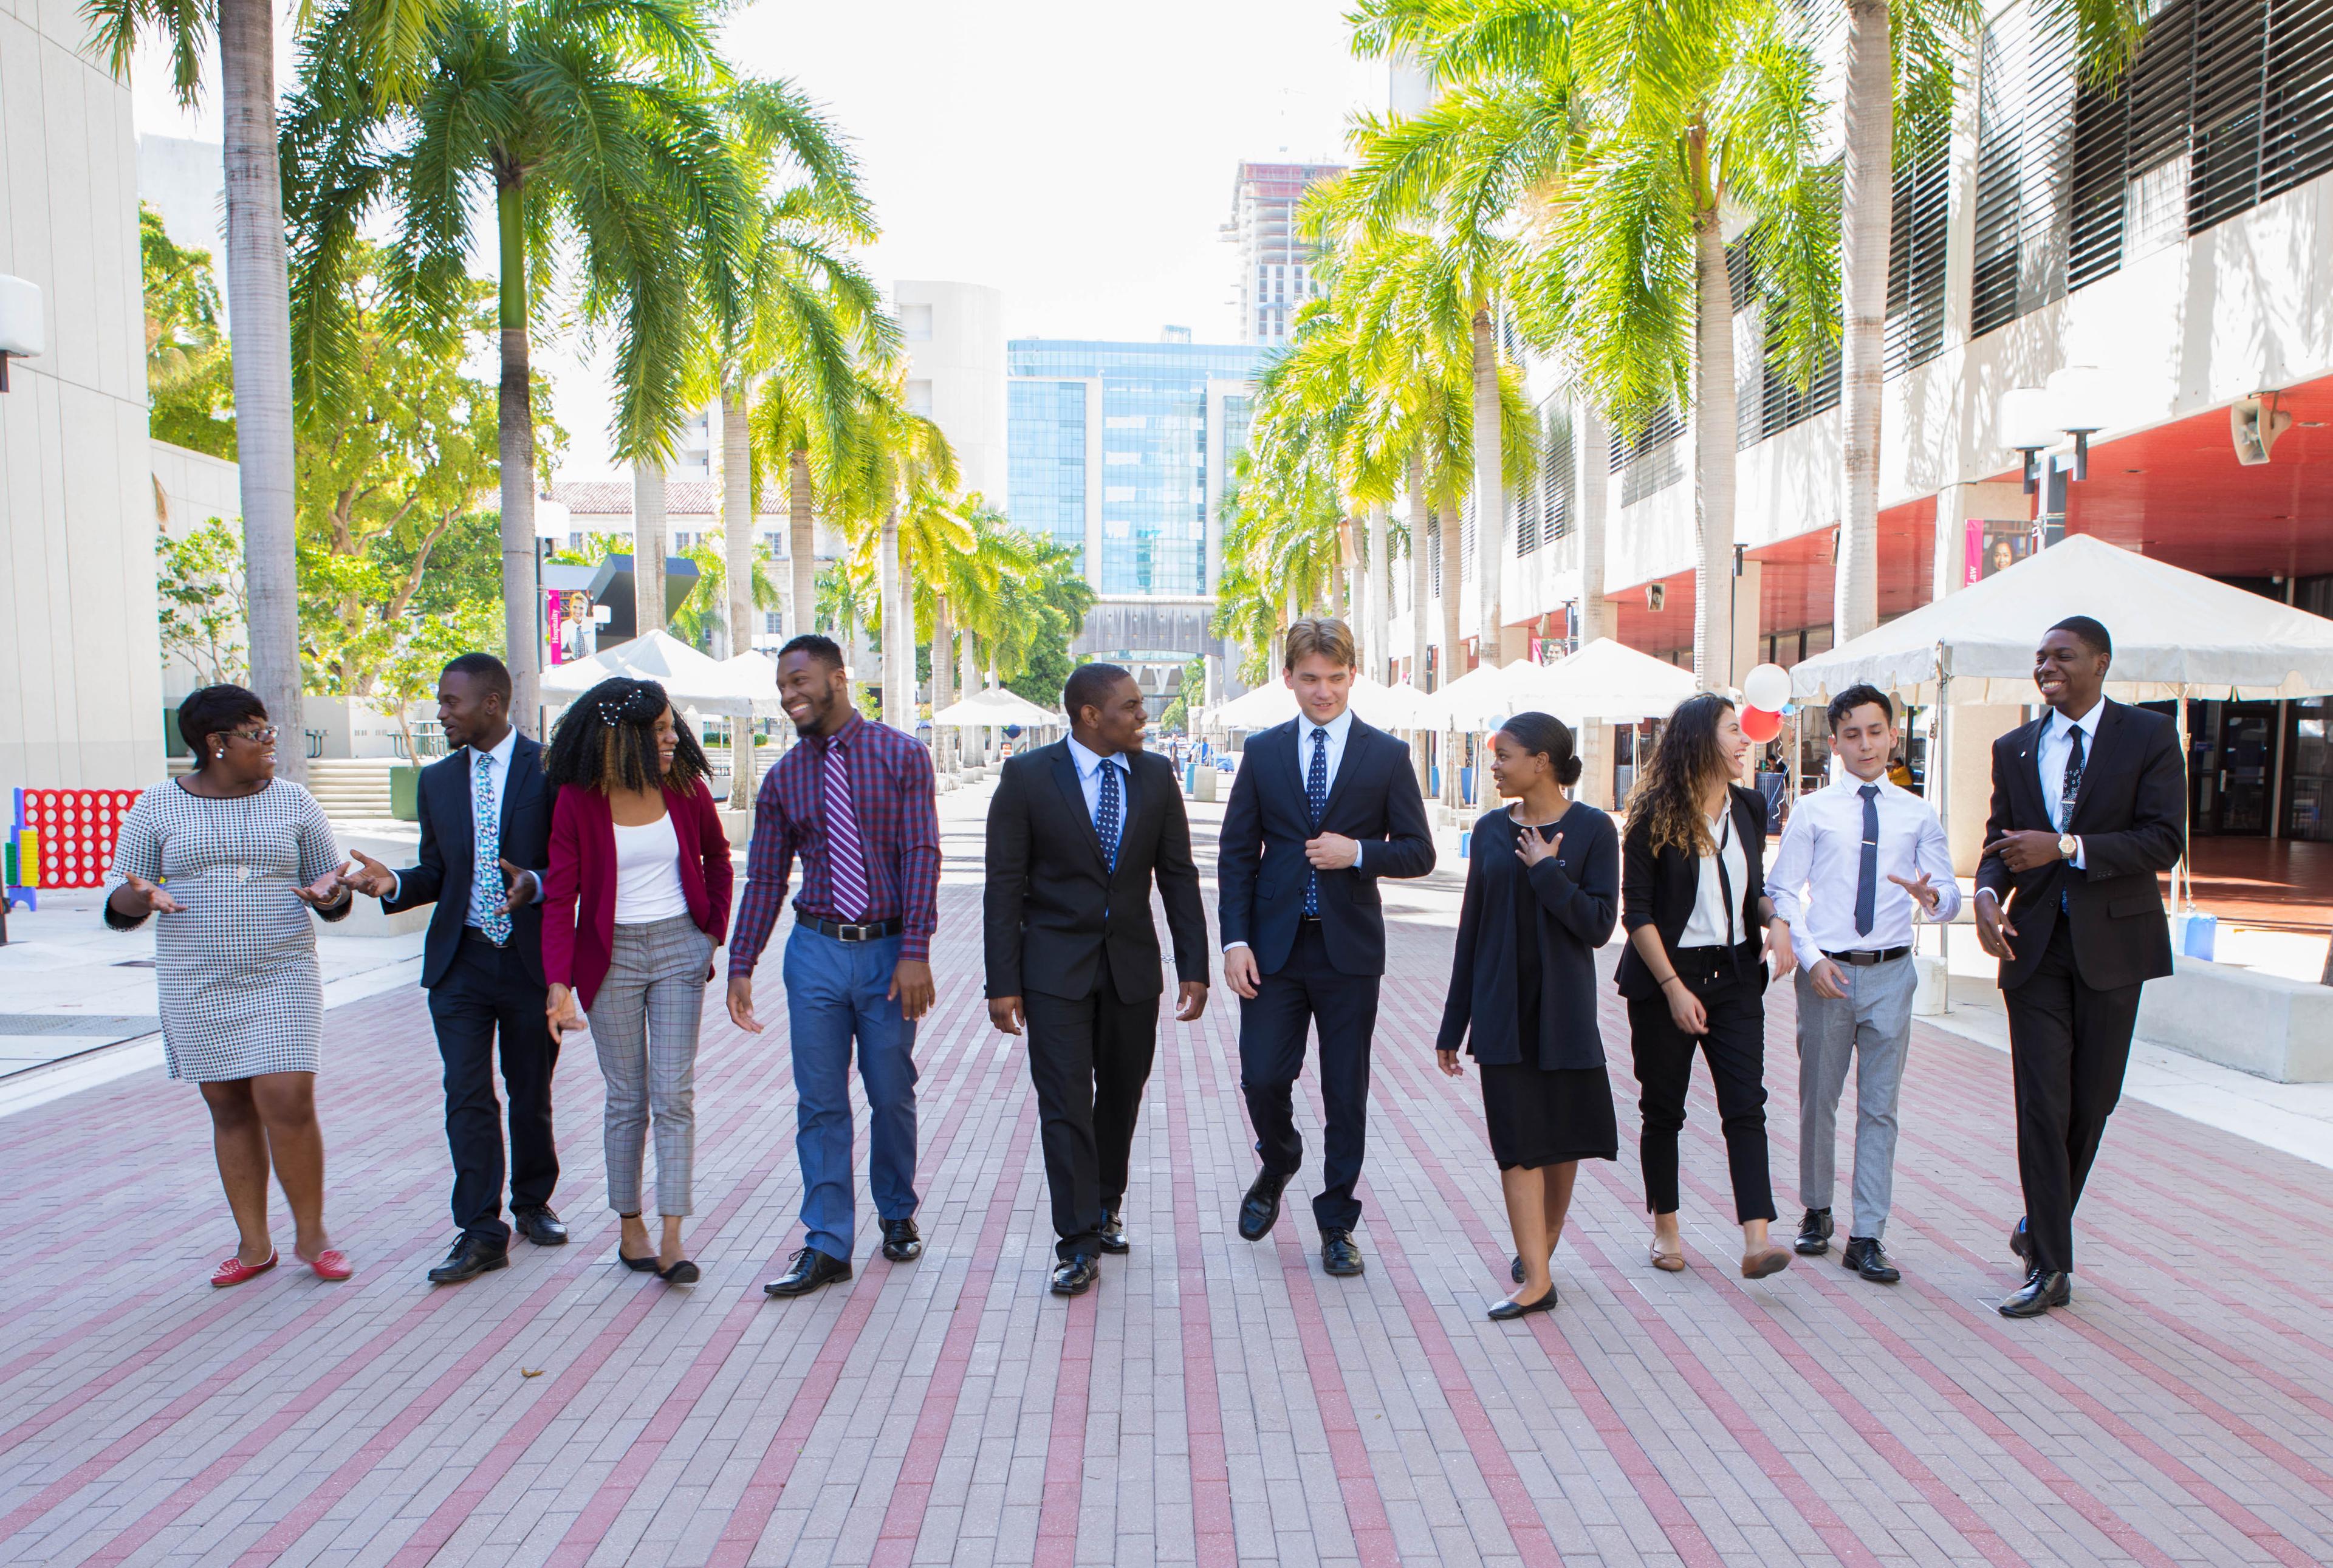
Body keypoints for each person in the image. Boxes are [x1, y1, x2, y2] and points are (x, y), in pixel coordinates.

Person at [106, 685, 356, 1286]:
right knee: (228, 1106)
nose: (272, 744)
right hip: (199, 980)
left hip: (281, 975)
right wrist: (137, 896)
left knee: (287, 1097)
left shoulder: (295, 802)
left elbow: (333, 894)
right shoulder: (157, 806)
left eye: (271, 732)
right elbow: (118, 904)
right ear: (217, 744)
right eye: (258, 733)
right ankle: (254, 1244)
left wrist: (334, 895)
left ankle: (313, 1235)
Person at [1975, 616, 2184, 1318]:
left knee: (2092, 1102)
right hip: (2033, 948)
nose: (2046, 666)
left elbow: (2163, 841)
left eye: (2062, 655)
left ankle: (2041, 1223)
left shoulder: (2149, 737)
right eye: (2039, 657)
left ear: (2101, 662)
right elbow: (2000, 841)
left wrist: (2066, 847)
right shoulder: (2014, 746)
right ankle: (2052, 1268)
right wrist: (1982, 893)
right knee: (2042, 1102)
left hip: (2115, 947)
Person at [1218, 617, 1435, 1276]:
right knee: (1261, 1074)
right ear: (1289, 677)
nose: (1324, 692)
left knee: (1346, 1093)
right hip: (1273, 950)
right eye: (1310, 679)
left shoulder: (1386, 756)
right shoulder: (1264, 751)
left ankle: (1337, 1221)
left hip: (1349, 954)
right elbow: (1235, 854)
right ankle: (1280, 1158)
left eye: (1336, 679)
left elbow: (1420, 851)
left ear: (1352, 677)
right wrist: (1234, 940)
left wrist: (1360, 853)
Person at [984, 663, 1210, 1295]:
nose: (1144, 715)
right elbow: (1004, 884)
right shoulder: (1029, 777)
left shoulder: (1155, 776)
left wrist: (1193, 965)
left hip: (1133, 970)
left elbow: (1178, 875)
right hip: (1053, 971)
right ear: (1090, 714)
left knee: (1120, 1095)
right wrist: (1001, 980)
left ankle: (1106, 1203)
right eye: (1132, 706)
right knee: (1063, 1104)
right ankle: (1077, 1239)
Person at [730, 634, 942, 1298]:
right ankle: (827, 1242)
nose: (790, 695)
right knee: (820, 1103)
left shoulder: (903, 755)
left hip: (886, 950)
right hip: (815, 949)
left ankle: (897, 1210)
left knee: (889, 1091)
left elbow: (922, 855)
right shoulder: (784, 778)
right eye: (782, 687)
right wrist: (742, 962)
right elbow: (764, 877)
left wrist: (915, 951)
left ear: (838, 678)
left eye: (800, 681)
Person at [343, 652, 564, 1286]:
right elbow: (438, 874)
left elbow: (573, 863)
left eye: (451, 702)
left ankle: (532, 1202)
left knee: (530, 1091)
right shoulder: (437, 781)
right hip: (460, 961)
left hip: (529, 963)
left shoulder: (549, 769)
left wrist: (540, 884)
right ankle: (480, 1228)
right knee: (466, 1092)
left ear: (492, 703)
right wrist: (393, 884)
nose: (442, 713)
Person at [1765, 685, 1959, 1285]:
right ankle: (1817, 1208)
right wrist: (1811, 955)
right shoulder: (1815, 811)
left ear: (1894, 736)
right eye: (1853, 734)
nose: (1866, 743)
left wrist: (1936, 899)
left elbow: (1949, 893)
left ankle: (1868, 1233)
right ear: (1836, 742)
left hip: (1892, 972)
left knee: (1881, 1109)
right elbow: (1782, 891)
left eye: (1876, 731)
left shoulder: (1918, 813)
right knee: (1818, 1098)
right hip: (1830, 973)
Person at [540, 679, 732, 1285]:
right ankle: (632, 1228)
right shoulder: (578, 799)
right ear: (623, 739)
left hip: (679, 946)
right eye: (659, 730)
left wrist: (712, 931)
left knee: (673, 1094)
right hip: (611, 958)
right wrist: (558, 982)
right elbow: (560, 896)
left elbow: (718, 859)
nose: (674, 737)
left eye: (672, 725)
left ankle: (674, 1236)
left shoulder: (685, 789)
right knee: (628, 1100)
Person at [1434, 713, 1619, 1321]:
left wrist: (1546, 869)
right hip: (1501, 1013)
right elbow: (1472, 932)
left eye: (1505, 755)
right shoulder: (1489, 830)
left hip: (1564, 1013)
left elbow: (1596, 925)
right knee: (1517, 1147)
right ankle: (1536, 1278)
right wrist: (1452, 1023)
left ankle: (1543, 1244)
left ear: (1542, 761)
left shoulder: (1593, 830)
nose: (1494, 766)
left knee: (1561, 1143)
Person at [1615, 693, 1798, 1278]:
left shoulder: (1747, 806)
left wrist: (1776, 921)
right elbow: (1636, 913)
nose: (1747, 740)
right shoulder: (1651, 815)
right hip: (1668, 977)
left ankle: (1757, 1239)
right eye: (1732, 731)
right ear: (1699, 741)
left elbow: (1753, 887)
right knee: (1663, 1110)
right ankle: (1666, 1231)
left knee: (1746, 1106)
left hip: (1738, 975)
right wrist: (1671, 987)